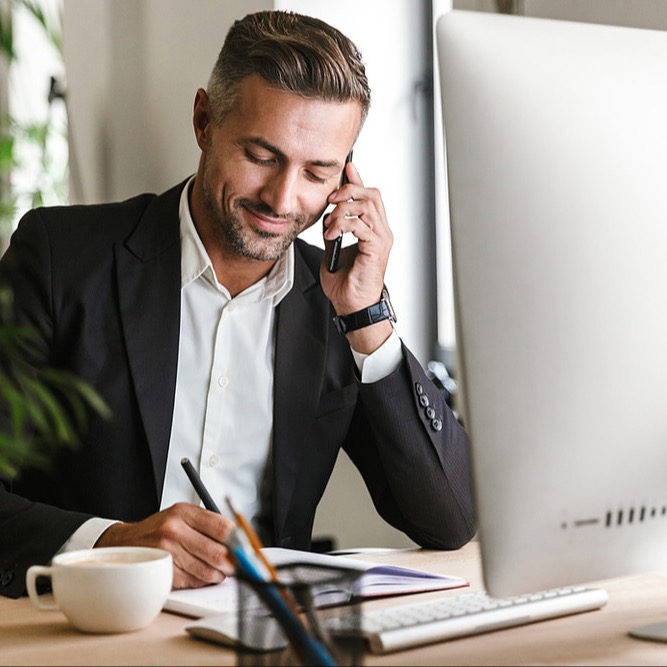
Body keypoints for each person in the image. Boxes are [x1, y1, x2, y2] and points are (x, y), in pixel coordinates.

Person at [0, 10, 475, 599]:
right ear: (204, 120)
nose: (283, 198)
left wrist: (368, 319)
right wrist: (113, 543)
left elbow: (449, 518)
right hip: (90, 629)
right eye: (261, 155)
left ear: (346, 175)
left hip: (263, 637)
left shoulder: (337, 301)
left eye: (317, 171)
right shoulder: (61, 258)